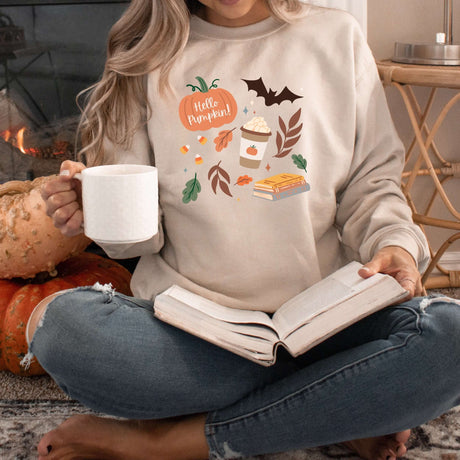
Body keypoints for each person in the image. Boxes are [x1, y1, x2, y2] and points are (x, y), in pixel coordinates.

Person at [25, 0, 460, 459]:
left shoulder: (336, 37)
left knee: (451, 337)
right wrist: (96, 207)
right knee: (63, 330)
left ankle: (164, 443)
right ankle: (336, 401)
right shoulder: (146, 56)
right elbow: (137, 238)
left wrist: (395, 245)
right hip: (195, 340)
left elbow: (371, 186)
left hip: (331, 325)